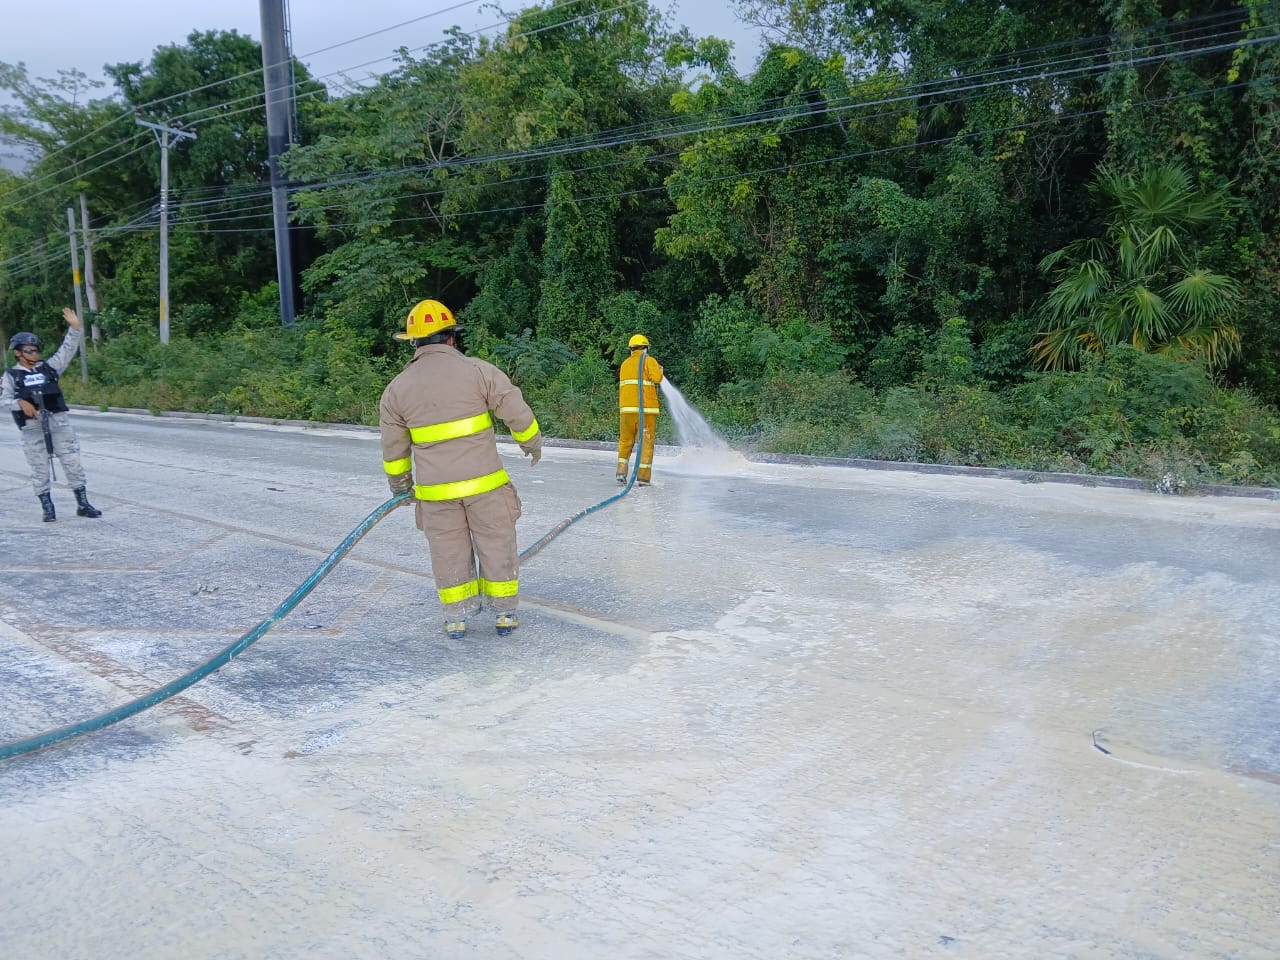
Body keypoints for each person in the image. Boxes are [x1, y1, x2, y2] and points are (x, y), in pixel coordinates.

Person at [379, 299, 543, 641]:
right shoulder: (479, 371)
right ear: (451, 338)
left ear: (415, 343)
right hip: (486, 489)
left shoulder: (396, 390)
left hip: (437, 496)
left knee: (447, 551)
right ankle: (505, 614)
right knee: (497, 543)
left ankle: (456, 618)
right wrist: (531, 444)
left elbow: (394, 451)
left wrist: (400, 487)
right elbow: (515, 409)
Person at [3, 307, 102, 523]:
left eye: (36, 350)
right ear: (18, 352)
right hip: (32, 427)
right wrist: (20, 403)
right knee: (39, 468)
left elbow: (66, 350)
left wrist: (75, 328)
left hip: (58, 423)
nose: (35, 354)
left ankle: (83, 503)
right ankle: (47, 507)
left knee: (72, 461)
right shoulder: (11, 375)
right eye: (30, 350)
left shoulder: (48, 368)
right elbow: (4, 401)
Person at [616, 333, 664, 486]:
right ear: (645, 349)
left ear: (631, 349)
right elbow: (657, 378)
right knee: (646, 443)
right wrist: (659, 370)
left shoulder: (625, 363)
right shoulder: (649, 361)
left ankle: (621, 472)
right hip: (645, 411)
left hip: (626, 411)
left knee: (625, 441)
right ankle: (643, 478)